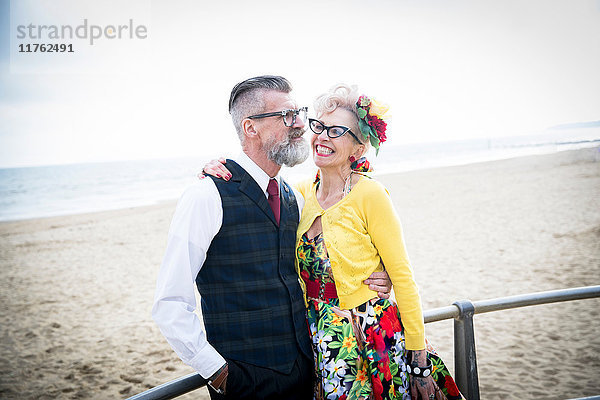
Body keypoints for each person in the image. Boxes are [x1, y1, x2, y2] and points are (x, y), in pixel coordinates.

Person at [203, 84, 462, 400]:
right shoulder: (296, 195)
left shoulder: (371, 195)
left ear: (358, 148)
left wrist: (419, 364)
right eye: (319, 126)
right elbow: (256, 187)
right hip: (320, 339)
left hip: (372, 335)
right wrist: (214, 168)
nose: (322, 137)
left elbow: (405, 280)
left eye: (337, 131)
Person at [152, 76, 392, 400]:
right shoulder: (206, 196)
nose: (299, 125)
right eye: (286, 116)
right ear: (250, 128)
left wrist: (378, 272)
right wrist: (219, 373)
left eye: (299, 112)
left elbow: (326, 252)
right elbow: (170, 303)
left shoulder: (294, 195)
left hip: (308, 373)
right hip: (245, 384)